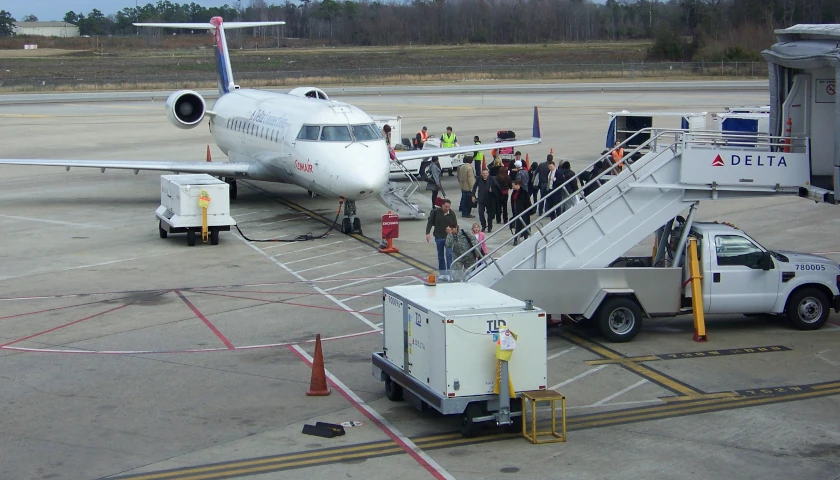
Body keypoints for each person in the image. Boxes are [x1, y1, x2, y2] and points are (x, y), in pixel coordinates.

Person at [425, 199, 456, 272]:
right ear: (442, 205)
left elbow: (455, 226)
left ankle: (449, 272)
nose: (447, 208)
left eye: (448, 207)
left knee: (449, 255)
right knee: (441, 256)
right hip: (439, 237)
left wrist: (453, 230)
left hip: (449, 237)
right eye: (446, 207)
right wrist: (427, 233)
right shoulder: (435, 212)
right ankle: (442, 273)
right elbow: (430, 222)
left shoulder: (452, 214)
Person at [472, 168, 499, 233]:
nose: (485, 175)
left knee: (489, 214)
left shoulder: (492, 179)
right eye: (483, 173)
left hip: (489, 200)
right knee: (481, 213)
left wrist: (492, 190)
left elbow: (497, 187)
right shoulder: (479, 179)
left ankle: (489, 227)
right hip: (481, 199)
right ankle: (483, 225)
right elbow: (474, 187)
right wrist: (473, 196)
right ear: (481, 174)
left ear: (488, 174)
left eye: (486, 173)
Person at [510, 180, 532, 246]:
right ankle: (516, 239)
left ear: (517, 185)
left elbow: (528, 202)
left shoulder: (524, 193)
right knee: (517, 227)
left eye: (513, 185)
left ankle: (525, 238)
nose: (512, 187)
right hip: (517, 211)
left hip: (523, 212)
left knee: (524, 225)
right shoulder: (514, 192)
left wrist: (529, 211)